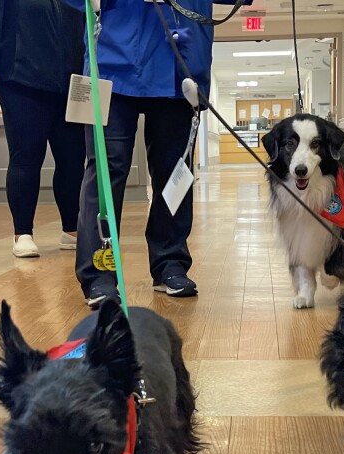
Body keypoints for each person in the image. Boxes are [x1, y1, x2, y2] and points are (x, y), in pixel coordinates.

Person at [70, 0, 244, 308]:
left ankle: (170, 263)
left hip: (180, 64)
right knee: (106, 172)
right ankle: (99, 271)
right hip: (112, 58)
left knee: (175, 172)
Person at [0, 0, 87, 259]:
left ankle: (72, 229)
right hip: (20, 78)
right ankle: (23, 232)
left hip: (71, 80)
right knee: (26, 157)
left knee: (72, 159)